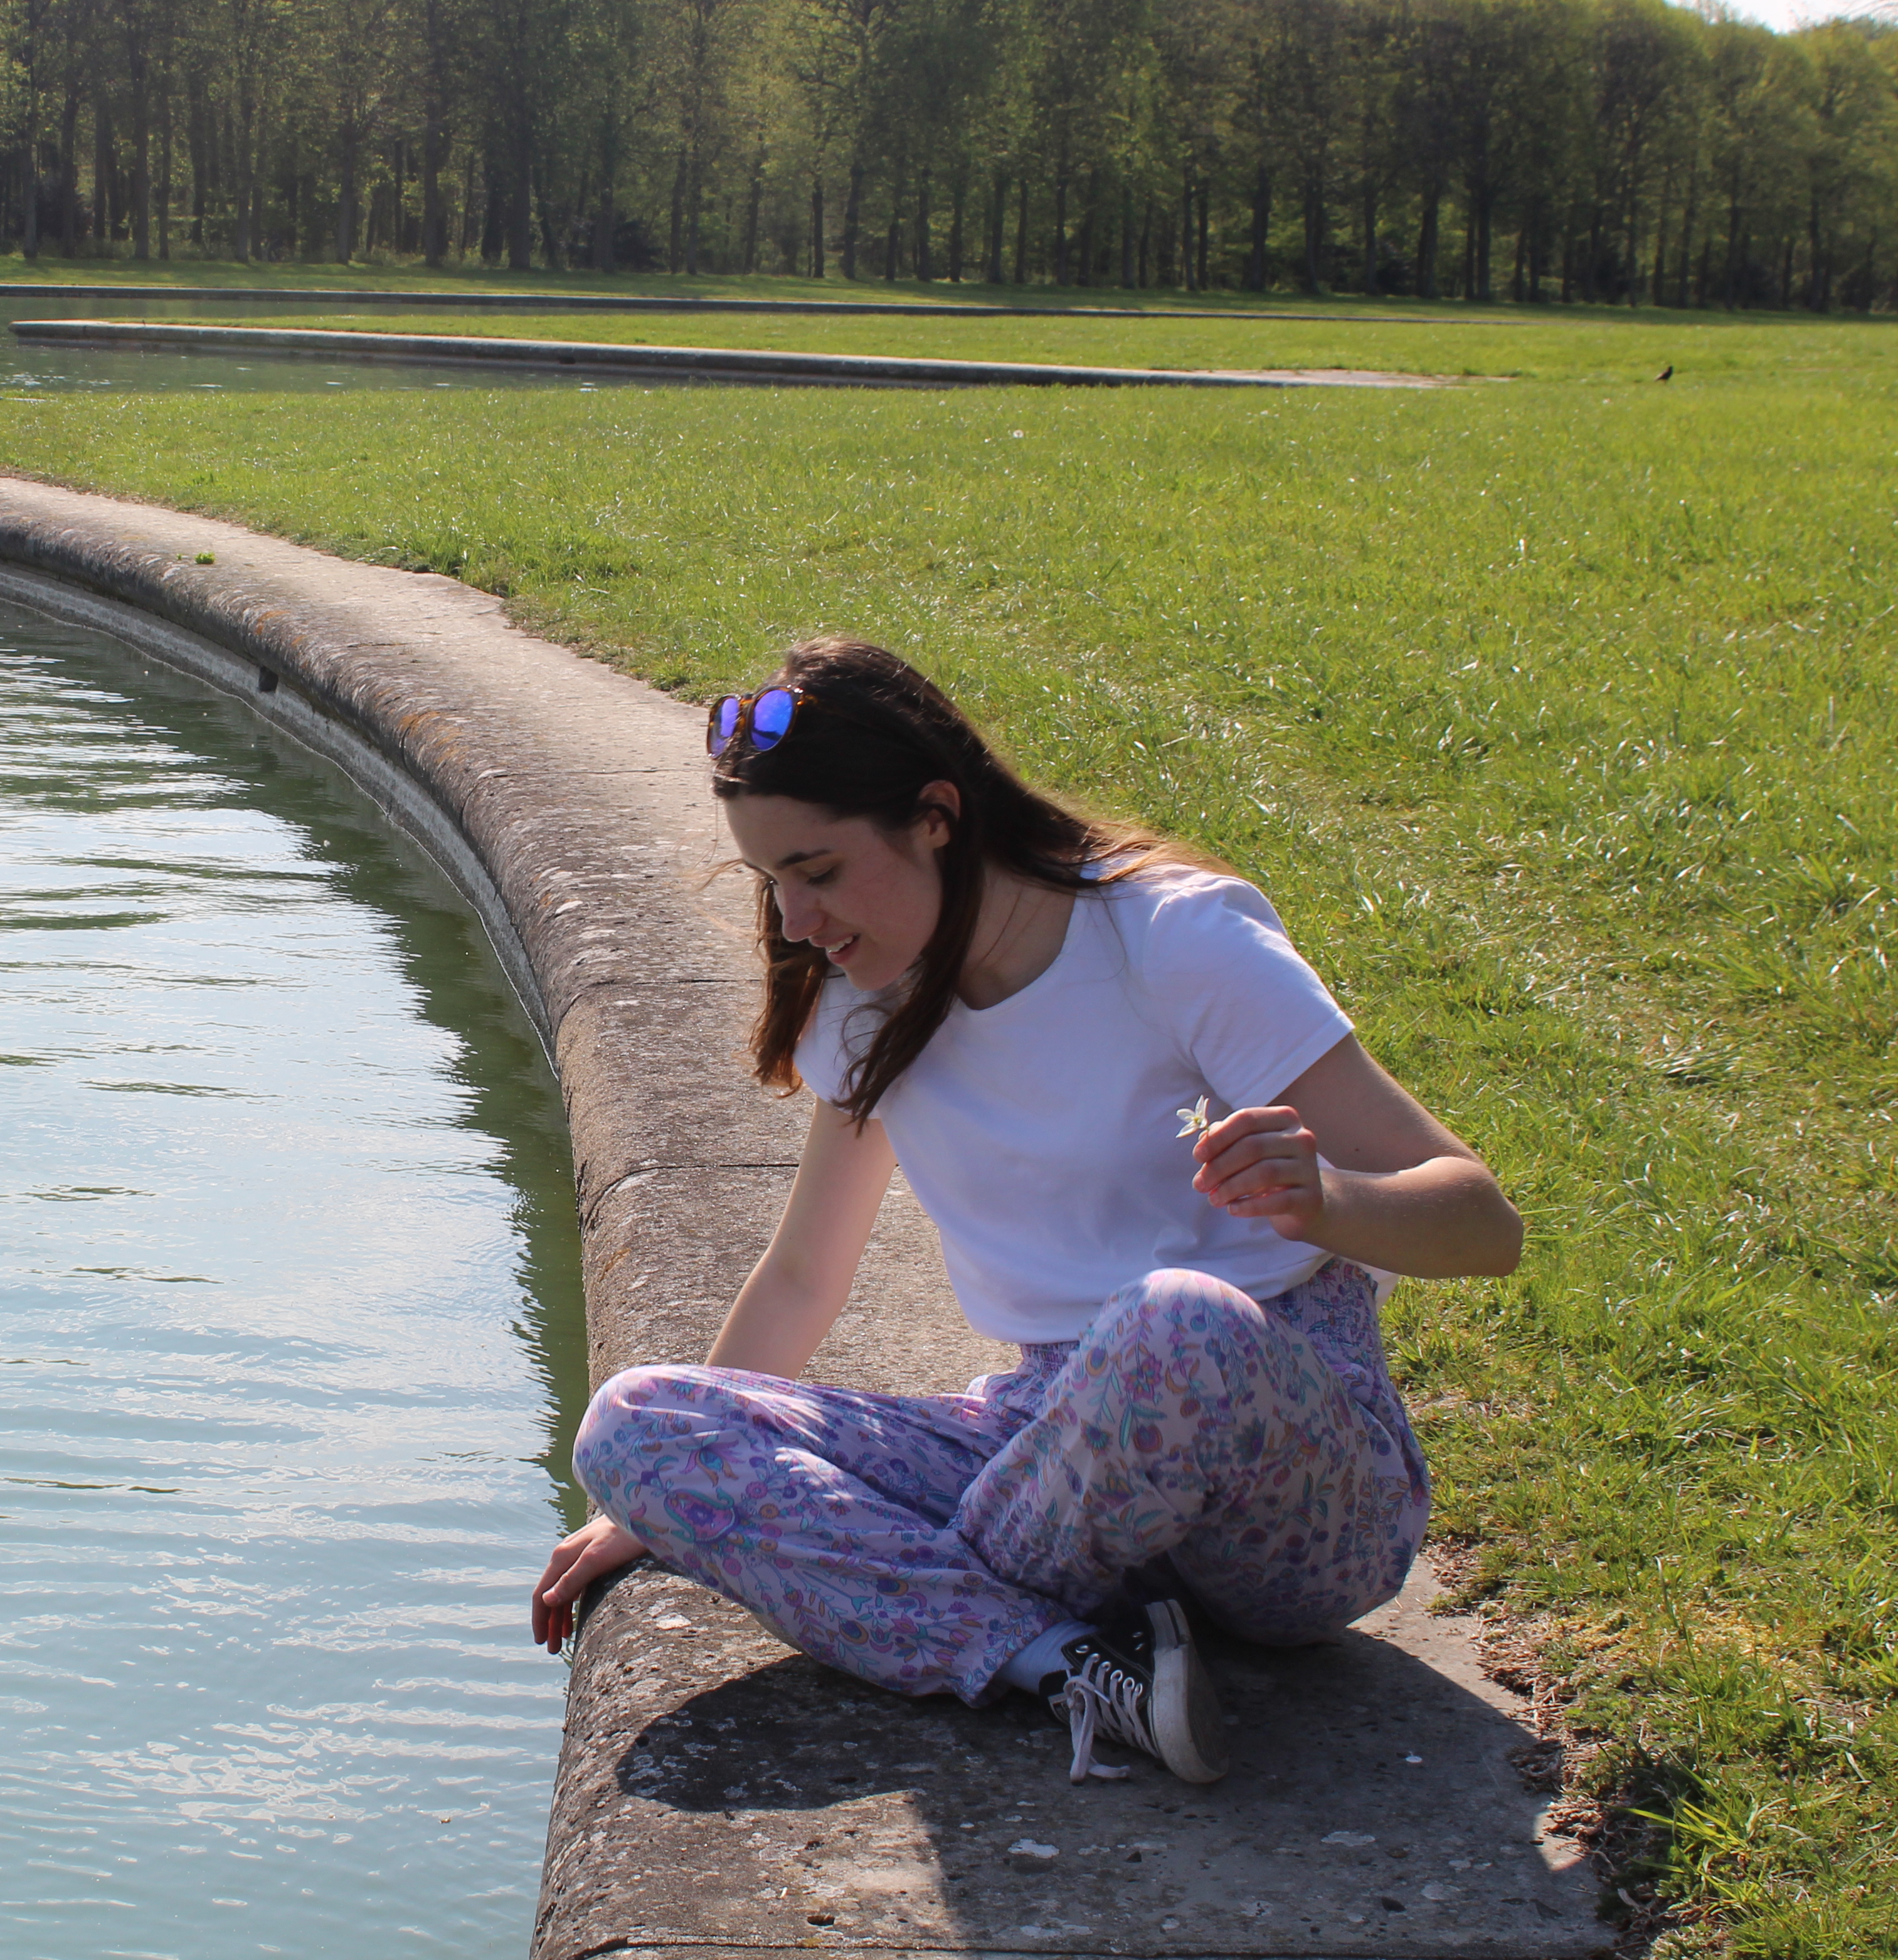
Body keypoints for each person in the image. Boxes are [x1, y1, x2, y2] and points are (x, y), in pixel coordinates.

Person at [529, 637, 1523, 1787]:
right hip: (1052, 1458)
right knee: (632, 1423)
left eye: (819, 871)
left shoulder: (1170, 938)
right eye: (771, 884)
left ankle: (941, 1601)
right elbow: (804, 1275)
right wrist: (655, 1500)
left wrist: (1326, 1201)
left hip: (1291, 1490)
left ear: (936, 815)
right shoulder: (866, 1009)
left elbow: (1482, 1224)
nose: (797, 920)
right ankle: (1054, 1660)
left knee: (1170, 1319)